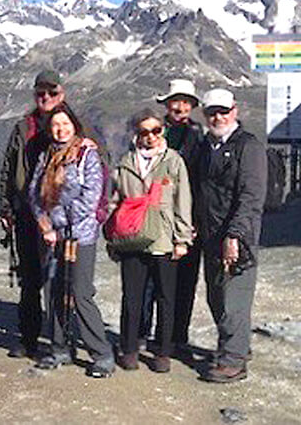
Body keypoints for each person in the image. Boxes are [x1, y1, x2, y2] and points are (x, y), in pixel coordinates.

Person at [29, 104, 115, 378]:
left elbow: (90, 197)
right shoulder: (46, 156)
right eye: (55, 125)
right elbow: (34, 191)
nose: (60, 129)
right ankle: (59, 348)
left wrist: (56, 221)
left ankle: (101, 354)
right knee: (54, 291)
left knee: (80, 293)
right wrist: (43, 222)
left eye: (65, 124)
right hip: (51, 235)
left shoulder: (86, 155)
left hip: (81, 236)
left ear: (74, 125)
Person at [110, 108, 193, 374]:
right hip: (132, 240)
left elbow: (183, 202)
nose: (150, 137)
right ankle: (130, 349)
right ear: (137, 134)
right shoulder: (125, 164)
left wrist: (182, 239)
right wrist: (112, 237)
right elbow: (114, 202)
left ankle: (162, 352)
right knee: (131, 298)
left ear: (162, 132)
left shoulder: (173, 161)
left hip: (164, 240)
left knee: (165, 298)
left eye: (155, 131)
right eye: (144, 132)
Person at [194, 89, 266, 383]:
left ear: (235, 111)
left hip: (238, 237)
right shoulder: (205, 147)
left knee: (234, 297)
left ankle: (233, 361)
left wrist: (234, 234)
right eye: (212, 112)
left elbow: (251, 196)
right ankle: (237, 347)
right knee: (216, 297)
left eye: (223, 111)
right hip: (211, 236)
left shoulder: (248, 147)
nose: (218, 117)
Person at [0, 69, 65, 359]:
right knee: (30, 279)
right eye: (41, 93)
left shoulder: (70, 125)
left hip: (60, 216)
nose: (46, 98)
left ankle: (59, 341)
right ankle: (28, 339)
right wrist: (6, 205)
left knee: (59, 280)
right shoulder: (23, 128)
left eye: (51, 93)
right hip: (26, 213)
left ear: (61, 94)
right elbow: (8, 167)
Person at [157, 79, 205, 353]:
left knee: (186, 281)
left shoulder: (199, 136)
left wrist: (195, 221)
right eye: (176, 101)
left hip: (189, 219)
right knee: (157, 281)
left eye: (186, 102)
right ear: (167, 104)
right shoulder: (153, 131)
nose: (181, 107)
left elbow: (202, 182)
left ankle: (178, 337)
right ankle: (155, 335)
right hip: (157, 217)